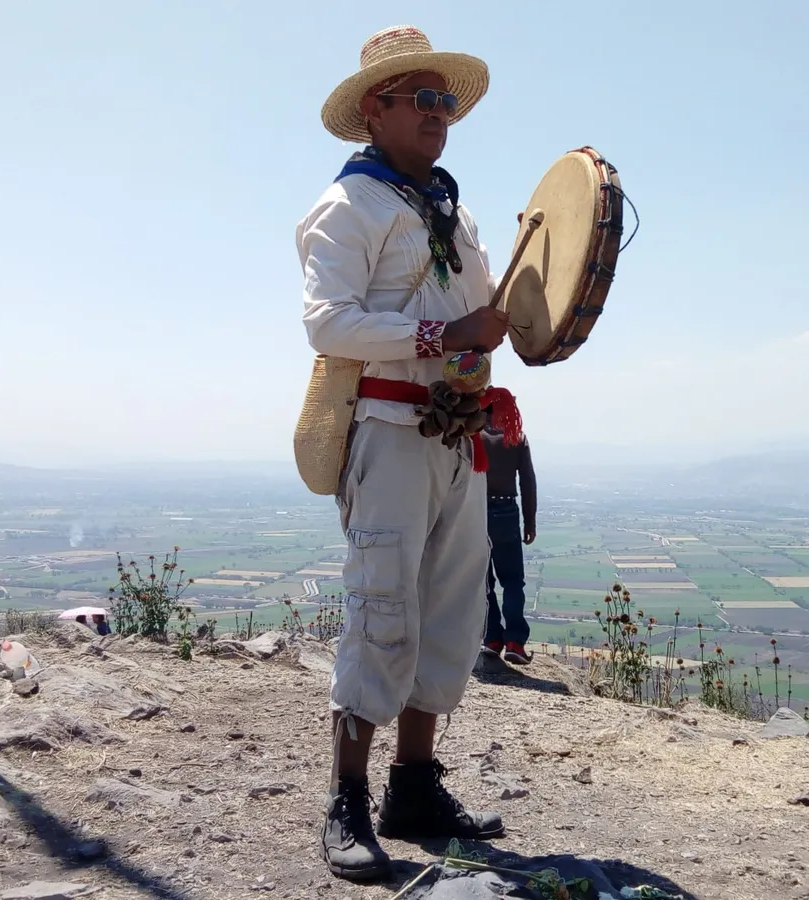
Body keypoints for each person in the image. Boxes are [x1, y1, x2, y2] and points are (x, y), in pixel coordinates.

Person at [296, 25, 514, 883]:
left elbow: (496, 311)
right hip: (386, 430)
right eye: (422, 99)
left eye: (446, 100)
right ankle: (346, 798)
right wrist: (441, 332)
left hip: (459, 433)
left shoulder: (453, 214)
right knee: (382, 604)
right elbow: (329, 321)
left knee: (453, 613)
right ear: (374, 110)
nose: (440, 115)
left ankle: (413, 788)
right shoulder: (348, 207)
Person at [482, 425, 536, 665]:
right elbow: (527, 482)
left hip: (474, 511)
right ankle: (515, 642)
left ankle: (492, 638)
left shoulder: (472, 435)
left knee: (483, 582)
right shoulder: (517, 438)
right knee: (513, 581)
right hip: (506, 512)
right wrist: (530, 522)